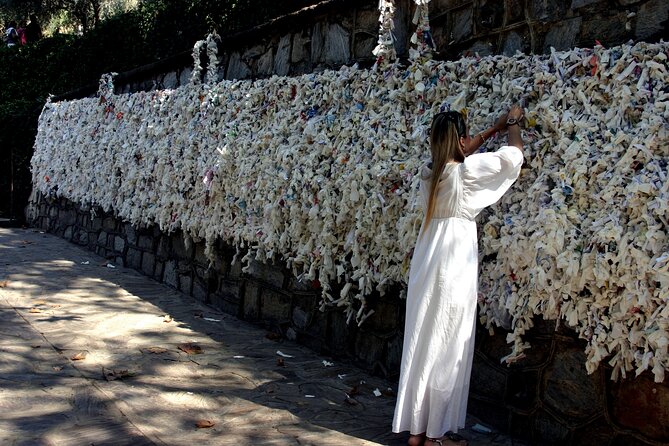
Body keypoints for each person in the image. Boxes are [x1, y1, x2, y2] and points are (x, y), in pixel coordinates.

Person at [392, 105, 525, 446]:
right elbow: (513, 158)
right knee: (448, 343)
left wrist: (489, 130)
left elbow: (459, 154)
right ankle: (436, 435)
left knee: (423, 341)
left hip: (427, 263)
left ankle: (418, 430)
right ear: (461, 139)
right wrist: (511, 124)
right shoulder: (465, 172)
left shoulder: (429, 174)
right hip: (453, 266)